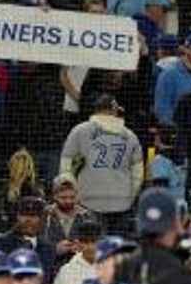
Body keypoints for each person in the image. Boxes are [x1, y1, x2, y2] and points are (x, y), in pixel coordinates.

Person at [60, 94, 143, 234]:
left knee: (93, 248)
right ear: (114, 110)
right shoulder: (130, 135)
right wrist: (130, 195)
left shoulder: (79, 131)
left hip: (88, 201)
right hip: (122, 202)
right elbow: (138, 173)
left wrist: (71, 195)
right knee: (118, 250)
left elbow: (65, 167)